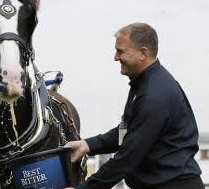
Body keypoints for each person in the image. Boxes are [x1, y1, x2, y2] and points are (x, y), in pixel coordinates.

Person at [65, 23, 203, 189]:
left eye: (120, 51)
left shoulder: (154, 95)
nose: (115, 57)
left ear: (143, 53)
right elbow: (126, 131)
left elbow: (127, 157)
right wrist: (88, 145)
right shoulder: (143, 84)